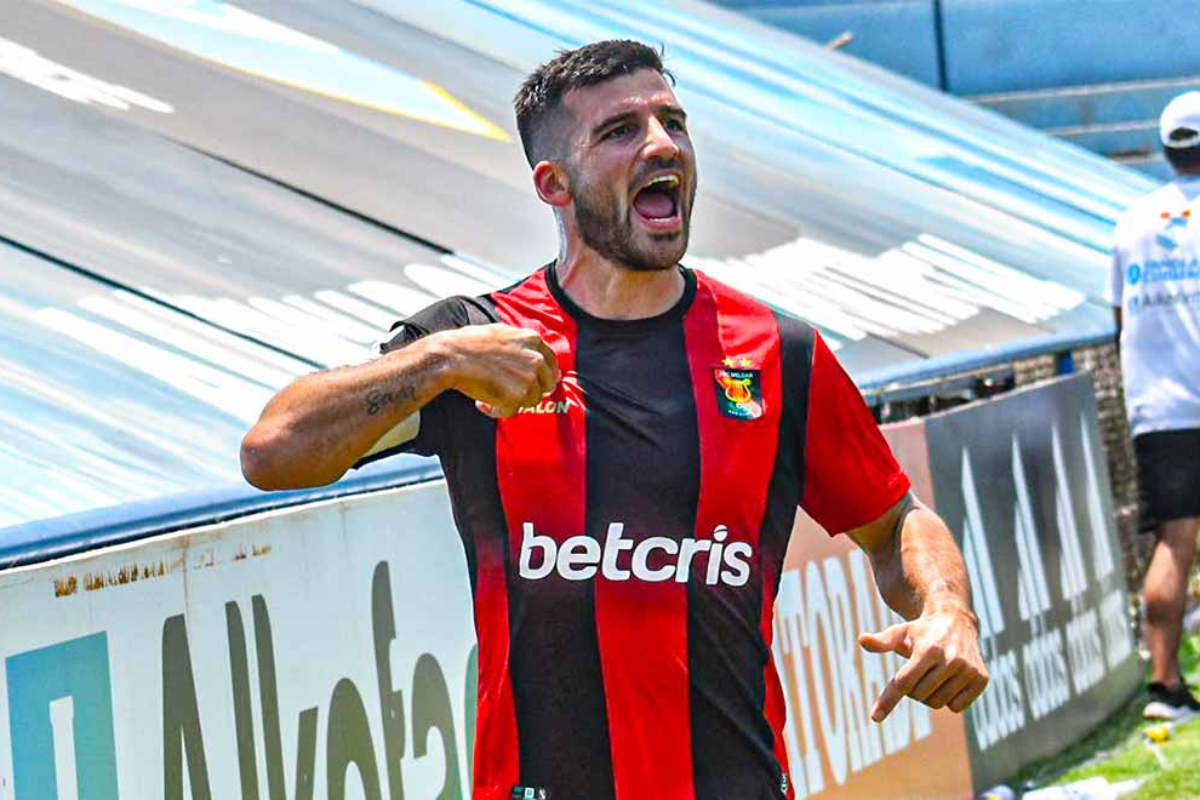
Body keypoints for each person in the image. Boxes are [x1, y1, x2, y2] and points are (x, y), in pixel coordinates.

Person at [241, 40, 987, 799]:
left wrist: (949, 608)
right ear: (553, 183)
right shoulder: (477, 343)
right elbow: (273, 450)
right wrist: (433, 363)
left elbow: (896, 522)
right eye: (621, 130)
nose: (662, 143)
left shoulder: (776, 353)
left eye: (673, 120)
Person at [1109, 91, 1200, 722]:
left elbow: (1120, 318)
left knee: (1174, 540)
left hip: (1157, 407)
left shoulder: (1131, 222)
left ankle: (1164, 686)